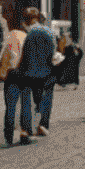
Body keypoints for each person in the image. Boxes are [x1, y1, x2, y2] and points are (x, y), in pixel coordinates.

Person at [14, 8, 56, 142]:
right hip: (46, 72)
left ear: (27, 20)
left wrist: (18, 69)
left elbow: (22, 56)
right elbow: (53, 53)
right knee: (46, 98)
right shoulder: (49, 32)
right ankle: (42, 124)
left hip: (28, 72)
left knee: (26, 100)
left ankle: (25, 130)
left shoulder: (27, 34)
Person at [0, 12, 26, 147]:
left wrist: (2, 73)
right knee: (25, 104)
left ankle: (9, 135)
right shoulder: (25, 36)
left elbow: (4, 57)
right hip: (25, 74)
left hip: (12, 74)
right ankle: (24, 132)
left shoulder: (9, 37)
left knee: (10, 106)